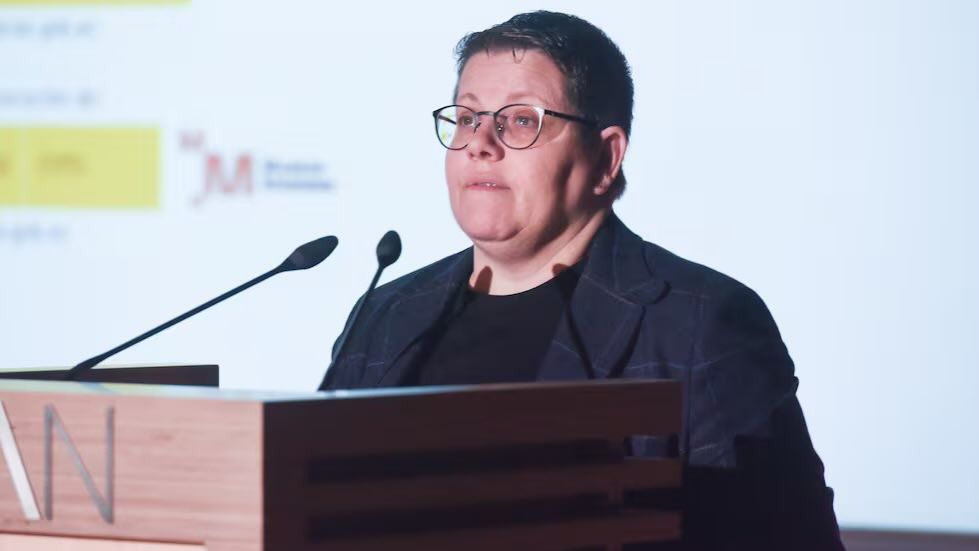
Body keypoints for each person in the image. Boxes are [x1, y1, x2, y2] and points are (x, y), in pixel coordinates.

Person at [321, 11, 843, 549]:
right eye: (468, 117)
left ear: (606, 156)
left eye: (520, 120)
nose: (480, 142)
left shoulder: (699, 324)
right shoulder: (387, 316)